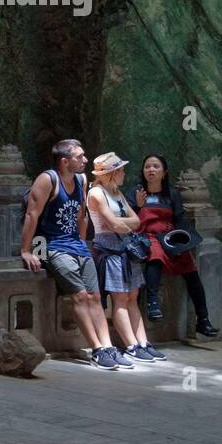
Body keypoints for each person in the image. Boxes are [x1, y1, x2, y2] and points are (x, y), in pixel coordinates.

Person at [20, 139, 131, 370]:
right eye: (79, 156)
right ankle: (97, 350)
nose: (85, 160)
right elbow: (32, 215)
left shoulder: (81, 179)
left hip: (75, 245)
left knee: (96, 297)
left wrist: (81, 244)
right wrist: (27, 250)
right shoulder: (47, 179)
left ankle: (108, 346)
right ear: (64, 161)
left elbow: (82, 215)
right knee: (80, 295)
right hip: (51, 245)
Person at [87, 153, 164, 363]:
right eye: (120, 170)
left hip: (127, 248)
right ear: (111, 173)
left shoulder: (117, 193)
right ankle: (130, 345)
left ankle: (142, 343)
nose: (123, 173)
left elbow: (136, 221)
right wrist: (123, 223)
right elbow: (114, 225)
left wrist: (123, 223)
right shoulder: (96, 193)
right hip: (109, 250)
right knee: (120, 299)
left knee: (132, 297)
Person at [132, 154, 219, 338]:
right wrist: (138, 206)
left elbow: (179, 220)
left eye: (156, 166)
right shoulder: (137, 192)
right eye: (147, 166)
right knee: (154, 255)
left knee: (190, 267)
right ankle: (152, 304)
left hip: (168, 237)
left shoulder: (172, 194)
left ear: (164, 172)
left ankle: (203, 320)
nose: (151, 170)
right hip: (146, 237)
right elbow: (129, 218)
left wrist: (180, 243)